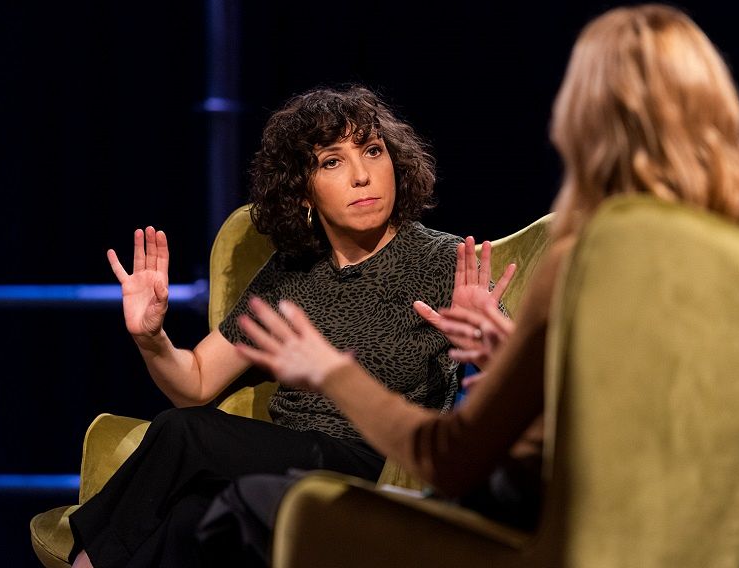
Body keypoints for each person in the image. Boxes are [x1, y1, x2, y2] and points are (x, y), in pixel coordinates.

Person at [208, 2, 739, 564]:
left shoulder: (591, 259)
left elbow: (450, 459)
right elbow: (625, 420)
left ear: (586, 121)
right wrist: (511, 356)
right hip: (657, 540)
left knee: (239, 510)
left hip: (526, 539)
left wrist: (332, 372)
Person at [68, 85, 511, 568]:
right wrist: (150, 337)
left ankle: (84, 561)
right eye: (332, 162)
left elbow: (521, 385)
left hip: (381, 464)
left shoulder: (442, 260)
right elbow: (195, 383)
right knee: (190, 517)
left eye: (372, 151)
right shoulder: (292, 271)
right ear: (304, 190)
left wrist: (488, 343)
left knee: (183, 434)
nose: (362, 176)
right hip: (289, 463)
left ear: (395, 163)